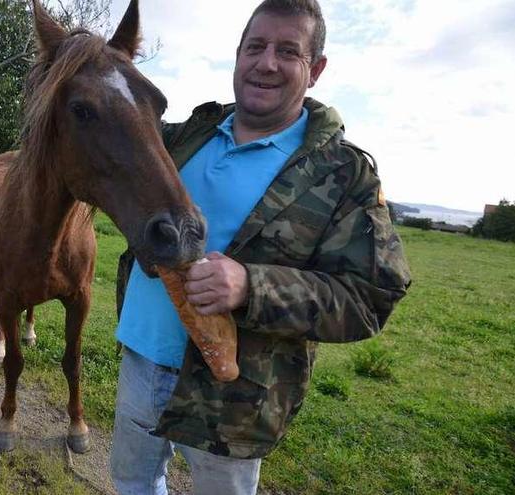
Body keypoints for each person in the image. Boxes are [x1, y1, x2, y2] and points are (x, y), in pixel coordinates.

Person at [110, 0, 412, 494]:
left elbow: (369, 298)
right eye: (256, 47)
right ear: (238, 56)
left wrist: (253, 287)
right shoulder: (189, 134)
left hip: (235, 399)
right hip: (141, 358)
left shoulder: (342, 173)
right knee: (133, 483)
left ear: (315, 70)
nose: (266, 62)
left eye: (287, 51)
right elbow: (105, 137)